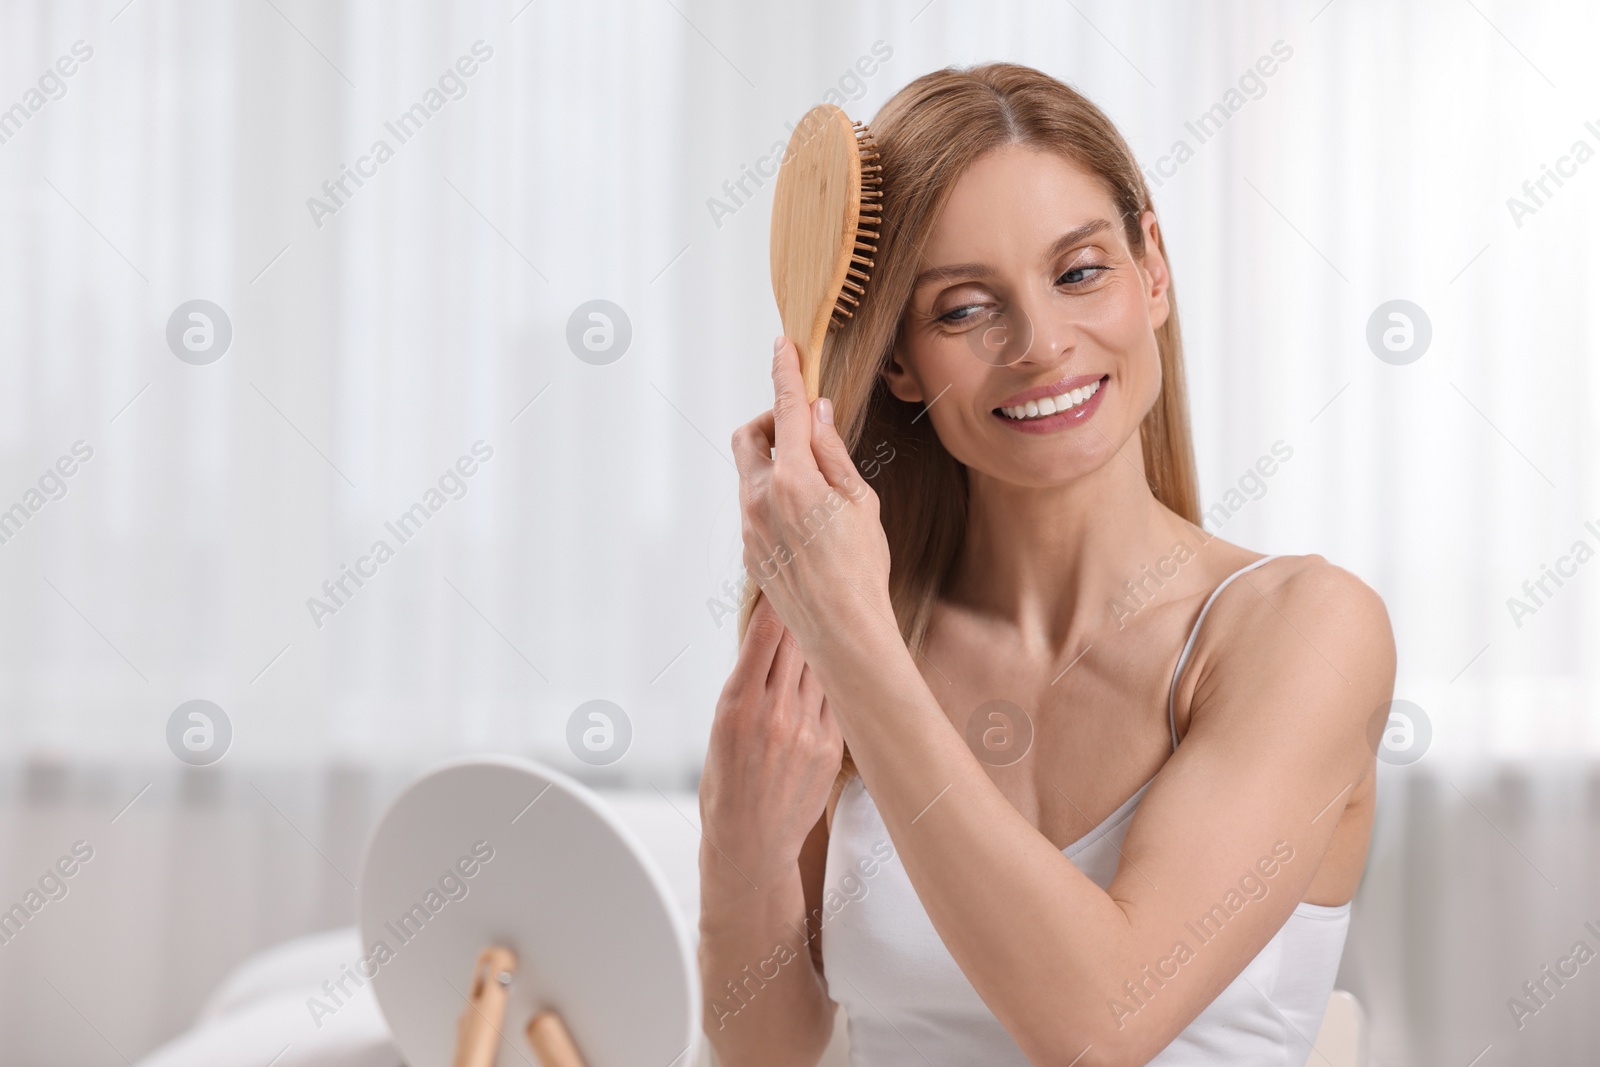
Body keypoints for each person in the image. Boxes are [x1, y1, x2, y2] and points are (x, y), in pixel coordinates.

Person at [698, 62, 1395, 1067]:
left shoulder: (1302, 628)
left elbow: (1099, 1024)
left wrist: (852, 636)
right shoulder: (857, 627)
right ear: (897, 360)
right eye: (962, 309)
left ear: (1150, 268)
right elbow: (769, 1054)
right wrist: (738, 853)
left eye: (1077, 273)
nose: (1041, 344)